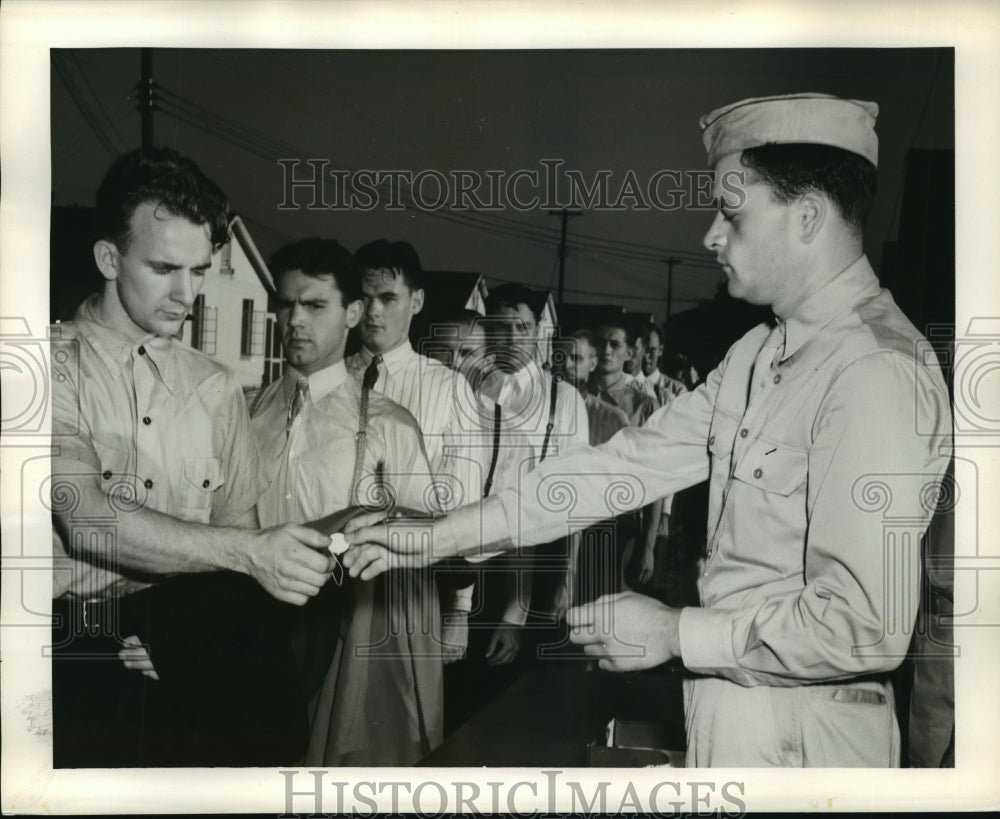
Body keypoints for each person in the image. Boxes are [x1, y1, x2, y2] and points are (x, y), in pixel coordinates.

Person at [344, 93, 953, 767]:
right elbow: (618, 467)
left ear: (807, 216)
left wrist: (673, 630)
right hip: (741, 724)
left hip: (810, 748)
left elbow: (868, 626)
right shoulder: (759, 354)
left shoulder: (873, 369)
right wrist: (438, 535)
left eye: (731, 210)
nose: (710, 236)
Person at [50, 147, 336, 767]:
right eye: (163, 269)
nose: (188, 294)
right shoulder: (44, 368)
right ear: (107, 258)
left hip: (181, 661)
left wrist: (190, 643)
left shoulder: (216, 388)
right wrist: (250, 553)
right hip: (66, 658)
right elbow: (87, 521)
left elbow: (236, 548)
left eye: (200, 270)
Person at [248, 237, 442, 766]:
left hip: (343, 639)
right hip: (252, 632)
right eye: (285, 304)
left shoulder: (387, 424)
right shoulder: (245, 414)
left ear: (353, 312)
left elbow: (426, 543)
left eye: (314, 306)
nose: (294, 320)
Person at [345, 240, 475, 664]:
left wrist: (459, 608)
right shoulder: (329, 381)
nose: (374, 312)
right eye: (364, 299)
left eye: (388, 298)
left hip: (412, 585)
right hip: (333, 579)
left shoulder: (449, 388)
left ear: (416, 301)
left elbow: (465, 503)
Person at [429, 308, 538, 732]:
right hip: (407, 584)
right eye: (445, 352)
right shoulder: (402, 420)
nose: (456, 364)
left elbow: (521, 534)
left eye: (468, 353)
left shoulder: (510, 437)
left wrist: (514, 615)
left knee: (460, 718)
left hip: (478, 588)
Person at [481, 283, 590, 651]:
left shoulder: (566, 398)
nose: (510, 339)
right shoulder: (469, 388)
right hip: (477, 548)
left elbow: (577, 495)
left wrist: (567, 577)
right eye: (499, 328)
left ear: (536, 332)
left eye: (521, 328)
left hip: (542, 550)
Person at [588, 317, 658, 427]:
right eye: (601, 342)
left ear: (628, 354)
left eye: (615, 345)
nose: (606, 350)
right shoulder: (574, 394)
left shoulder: (645, 407)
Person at [633, 322, 688, 407]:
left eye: (652, 350)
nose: (646, 356)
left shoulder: (677, 390)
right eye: (643, 349)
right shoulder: (627, 384)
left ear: (661, 350)